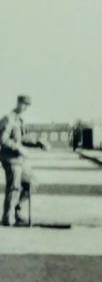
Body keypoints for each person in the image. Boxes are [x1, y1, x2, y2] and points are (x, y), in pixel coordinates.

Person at [0, 95, 48, 226]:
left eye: (28, 106)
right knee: (14, 187)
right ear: (18, 103)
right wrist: (19, 148)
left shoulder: (20, 120)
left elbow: (23, 139)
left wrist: (38, 142)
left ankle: (17, 210)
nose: (26, 108)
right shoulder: (8, 118)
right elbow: (2, 140)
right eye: (24, 104)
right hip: (10, 159)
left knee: (32, 182)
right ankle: (8, 218)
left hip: (20, 160)